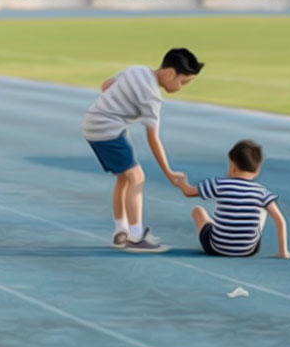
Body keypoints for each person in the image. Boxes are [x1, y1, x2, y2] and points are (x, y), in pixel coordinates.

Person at [82, 48, 204, 252]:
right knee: (137, 178)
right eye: (183, 82)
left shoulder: (137, 70)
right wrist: (169, 173)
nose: (182, 87)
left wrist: (116, 108)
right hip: (107, 130)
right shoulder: (152, 97)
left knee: (124, 177)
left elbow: (106, 85)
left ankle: (121, 231)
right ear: (170, 73)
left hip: (94, 123)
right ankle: (136, 236)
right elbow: (153, 139)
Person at [176, 140, 290, 259]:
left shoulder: (219, 184)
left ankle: (221, 235)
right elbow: (280, 219)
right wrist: (283, 251)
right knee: (263, 210)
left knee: (198, 211)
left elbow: (188, 192)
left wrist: (181, 181)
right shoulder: (262, 192)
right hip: (248, 250)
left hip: (215, 247)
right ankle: (249, 238)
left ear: (233, 167)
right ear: (257, 170)